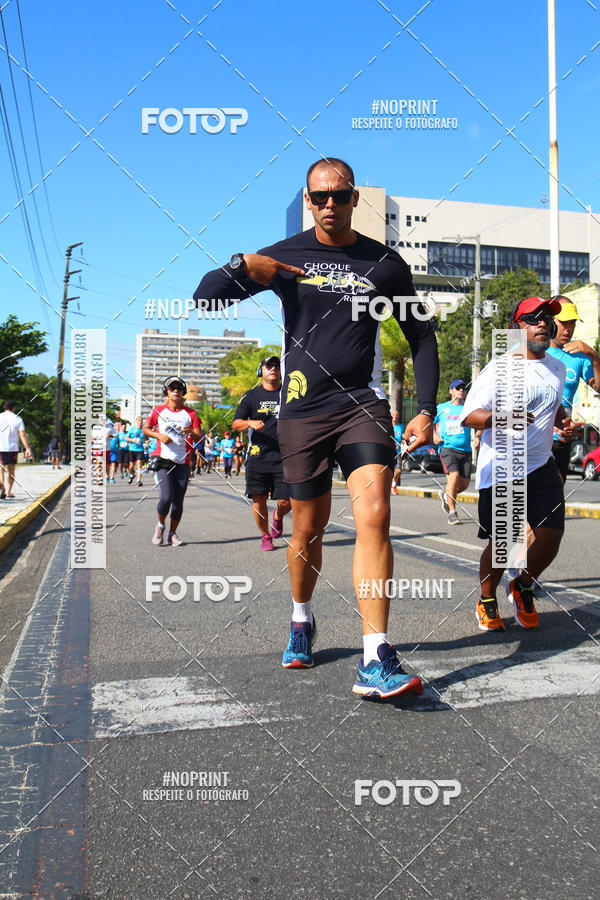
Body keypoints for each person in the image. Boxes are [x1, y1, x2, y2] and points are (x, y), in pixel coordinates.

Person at [194, 157, 439, 699]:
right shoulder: (285, 257)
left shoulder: (384, 264)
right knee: (307, 528)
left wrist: (426, 408)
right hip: (302, 411)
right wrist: (241, 268)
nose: (331, 204)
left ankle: (376, 653)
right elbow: (204, 298)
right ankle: (301, 617)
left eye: (342, 195)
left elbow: (421, 337)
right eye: (321, 196)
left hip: (362, 403)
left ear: (355, 199)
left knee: (375, 512)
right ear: (308, 200)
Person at [461, 296, 577, 632]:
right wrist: (502, 417)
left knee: (550, 537)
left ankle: (522, 584)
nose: (544, 323)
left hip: (541, 464)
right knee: (504, 543)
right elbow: (470, 415)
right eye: (535, 318)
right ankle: (486, 600)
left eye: (548, 318)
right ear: (518, 326)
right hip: (503, 467)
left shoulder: (558, 367)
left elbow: (552, 403)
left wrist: (562, 421)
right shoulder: (500, 367)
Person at [232, 356, 292, 551]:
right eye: (269, 365)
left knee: (287, 500)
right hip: (258, 456)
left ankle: (278, 516)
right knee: (258, 500)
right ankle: (265, 536)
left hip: (285, 456)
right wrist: (249, 422)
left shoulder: (290, 393)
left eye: (277, 365)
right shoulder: (251, 396)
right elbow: (236, 424)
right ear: (261, 371)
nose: (273, 368)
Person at [143, 376, 202, 546]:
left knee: (178, 501)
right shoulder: (158, 411)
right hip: (163, 459)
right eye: (171, 388)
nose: (175, 391)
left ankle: (173, 533)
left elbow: (199, 436)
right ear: (166, 392)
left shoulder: (191, 413)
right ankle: (160, 525)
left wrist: (191, 431)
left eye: (178, 388)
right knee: (166, 497)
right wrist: (159, 435)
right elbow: (145, 429)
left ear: (183, 392)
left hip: (183, 461)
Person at [546, 296, 600, 482]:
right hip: (532, 435)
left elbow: (598, 387)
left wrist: (593, 355)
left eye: (572, 323)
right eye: (563, 323)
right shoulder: (531, 349)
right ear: (550, 321)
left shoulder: (579, 355)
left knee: (556, 488)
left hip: (561, 436)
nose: (568, 329)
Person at [433, 379, 473, 525]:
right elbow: (429, 422)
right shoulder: (441, 408)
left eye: (463, 388)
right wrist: (434, 435)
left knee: (464, 485)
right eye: (457, 388)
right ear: (451, 391)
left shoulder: (469, 408)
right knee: (454, 477)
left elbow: (477, 423)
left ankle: (445, 494)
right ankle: (452, 513)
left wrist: (479, 437)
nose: (461, 390)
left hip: (466, 450)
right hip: (448, 449)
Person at [0, 399, 32, 498]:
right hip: (12, 448)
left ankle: (2, 488)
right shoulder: (18, 419)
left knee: (0, 469)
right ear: (13, 408)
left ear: (4, 407)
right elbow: (22, 435)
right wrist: (27, 448)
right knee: (11, 471)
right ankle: (8, 492)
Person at [127, 416, 145, 485]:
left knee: (139, 465)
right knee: (131, 466)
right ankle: (132, 474)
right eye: (139, 420)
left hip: (140, 450)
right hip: (132, 449)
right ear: (136, 421)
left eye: (141, 420)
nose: (140, 422)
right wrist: (132, 440)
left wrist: (147, 442)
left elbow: (146, 437)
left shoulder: (143, 430)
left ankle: (138, 480)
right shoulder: (132, 429)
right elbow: (127, 438)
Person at [390, 410, 404, 495]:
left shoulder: (401, 427)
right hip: (388, 451)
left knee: (398, 470)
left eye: (397, 415)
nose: (395, 416)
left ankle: (394, 485)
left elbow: (403, 438)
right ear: (391, 416)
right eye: (393, 415)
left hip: (397, 451)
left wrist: (404, 441)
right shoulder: (388, 426)